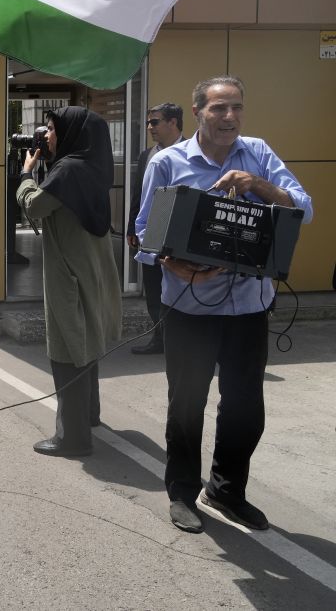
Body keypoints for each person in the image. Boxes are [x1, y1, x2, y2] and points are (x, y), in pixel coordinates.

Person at [134, 76, 312, 534]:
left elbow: (303, 208)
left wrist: (259, 185)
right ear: (197, 112)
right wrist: (179, 269)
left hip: (250, 307)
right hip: (190, 310)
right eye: (218, 108)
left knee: (245, 407)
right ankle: (182, 493)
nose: (229, 117)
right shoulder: (168, 161)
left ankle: (227, 490)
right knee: (187, 405)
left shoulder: (258, 154)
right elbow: (145, 233)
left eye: (236, 107)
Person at [16, 107, 121, 457]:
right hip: (91, 269)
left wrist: (26, 173)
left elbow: (34, 206)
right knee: (86, 344)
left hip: (69, 274)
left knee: (66, 351)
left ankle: (72, 439)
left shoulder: (68, 170)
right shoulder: (91, 165)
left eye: (51, 128)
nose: (46, 135)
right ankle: (89, 416)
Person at [126, 103, 186, 355]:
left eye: (155, 122)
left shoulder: (191, 153)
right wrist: (132, 227)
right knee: (153, 288)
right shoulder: (146, 155)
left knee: (182, 287)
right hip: (151, 232)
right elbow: (139, 195)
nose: (149, 127)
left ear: (173, 123)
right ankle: (159, 338)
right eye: (149, 122)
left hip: (180, 234)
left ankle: (184, 341)